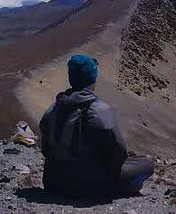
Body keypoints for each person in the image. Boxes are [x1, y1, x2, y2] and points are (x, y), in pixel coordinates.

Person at [39, 54, 154, 198]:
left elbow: (46, 149)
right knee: (146, 164)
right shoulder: (99, 110)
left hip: (54, 182)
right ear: (92, 79)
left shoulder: (53, 108)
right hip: (90, 185)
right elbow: (120, 151)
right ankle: (120, 189)